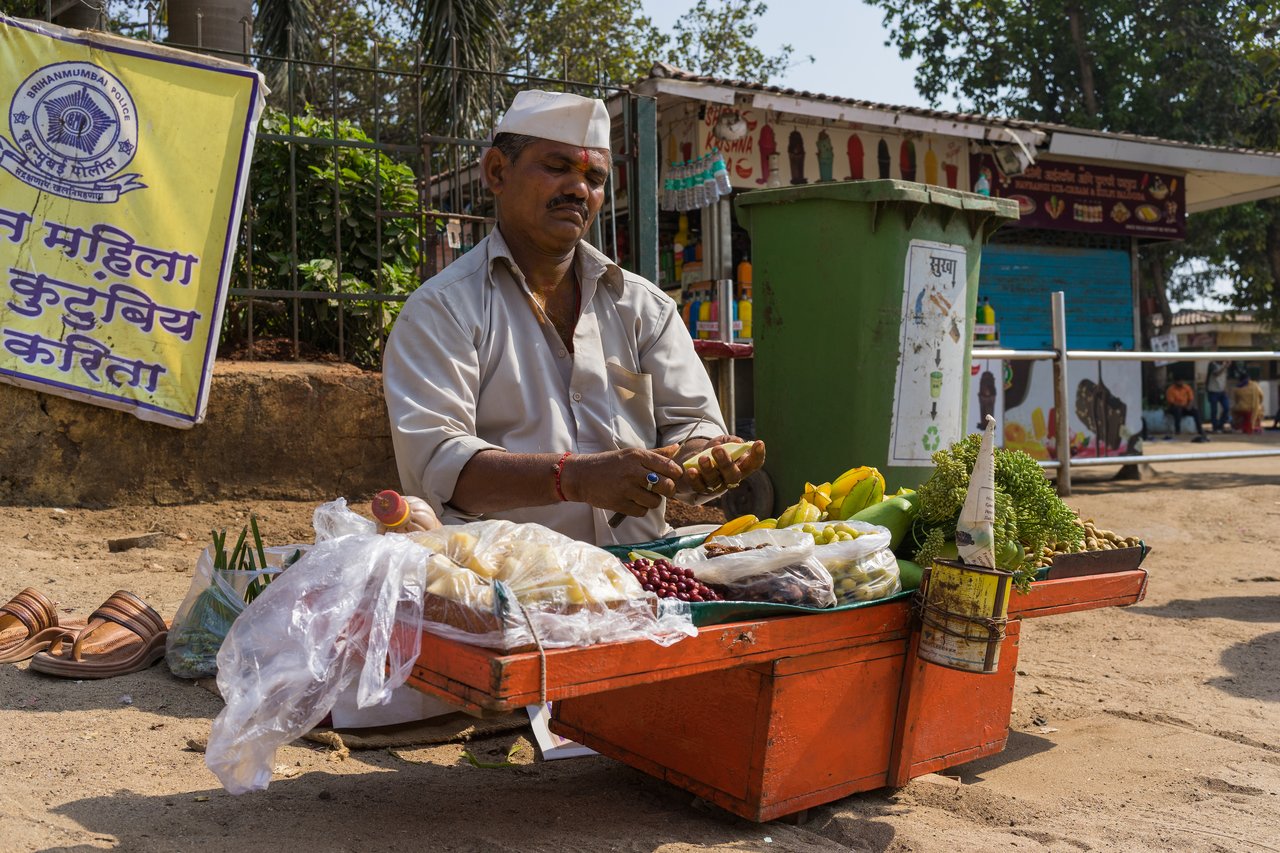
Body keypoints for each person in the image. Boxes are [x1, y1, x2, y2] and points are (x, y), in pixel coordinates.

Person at [383, 90, 766, 546]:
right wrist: (573, 478)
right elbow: (438, 467)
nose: (579, 189)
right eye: (557, 167)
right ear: (497, 172)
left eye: (595, 176)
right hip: (503, 582)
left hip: (640, 577)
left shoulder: (644, 308)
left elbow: (692, 427)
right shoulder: (442, 311)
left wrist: (705, 459)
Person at [1164, 377, 1208, 442]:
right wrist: (1181, 406)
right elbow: (1171, 402)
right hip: (1174, 408)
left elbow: (1191, 399)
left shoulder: (1186, 388)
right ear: (1175, 382)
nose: (1180, 382)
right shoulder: (1171, 389)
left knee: (1195, 411)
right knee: (1177, 410)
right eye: (1179, 381)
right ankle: (1177, 430)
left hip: (1185, 407)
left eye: (1181, 381)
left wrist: (1189, 406)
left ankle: (1200, 430)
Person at [1205, 359, 1231, 433]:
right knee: (1214, 410)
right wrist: (1225, 366)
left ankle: (1220, 424)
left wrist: (1226, 388)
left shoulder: (1224, 366)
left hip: (1222, 391)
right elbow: (1216, 374)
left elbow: (1224, 378)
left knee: (1226, 407)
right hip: (1213, 390)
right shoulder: (1212, 364)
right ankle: (1215, 427)